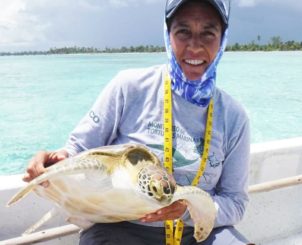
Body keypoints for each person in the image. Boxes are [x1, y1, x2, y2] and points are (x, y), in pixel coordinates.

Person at [23, 0, 251, 244]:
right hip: (121, 225)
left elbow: (235, 202)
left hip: (197, 230)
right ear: (168, 35)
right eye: (183, 31)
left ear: (223, 39)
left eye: (208, 33)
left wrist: (187, 209)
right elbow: (78, 149)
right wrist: (55, 161)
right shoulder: (128, 88)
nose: (194, 46)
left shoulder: (234, 117)